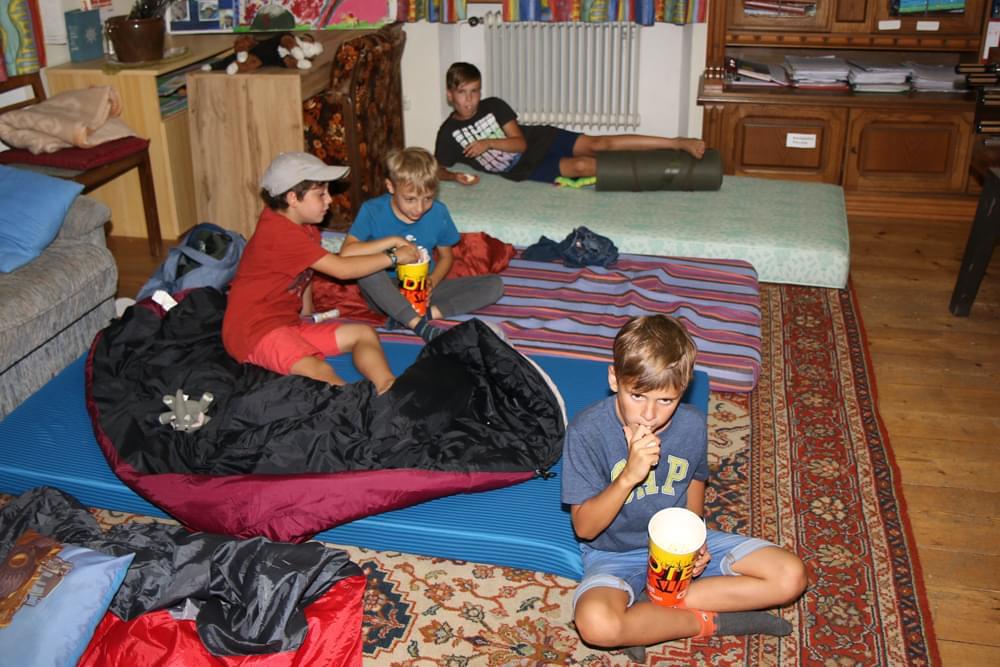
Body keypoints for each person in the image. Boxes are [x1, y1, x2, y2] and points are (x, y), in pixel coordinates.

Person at [562, 315, 808, 654]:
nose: (649, 414)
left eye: (665, 400)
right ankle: (706, 622)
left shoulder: (691, 424)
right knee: (596, 624)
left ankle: (648, 614)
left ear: (683, 389)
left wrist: (695, 539)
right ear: (615, 379)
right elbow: (585, 528)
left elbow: (694, 478)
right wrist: (629, 476)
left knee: (790, 576)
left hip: (676, 546)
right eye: (637, 395)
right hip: (613, 553)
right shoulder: (587, 431)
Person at [222, 151, 421, 393]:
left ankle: (387, 386)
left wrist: (306, 313)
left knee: (363, 333)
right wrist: (394, 257)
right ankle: (356, 407)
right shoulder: (279, 233)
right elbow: (342, 270)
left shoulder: (305, 227)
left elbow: (304, 271)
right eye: (321, 194)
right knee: (319, 370)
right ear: (293, 198)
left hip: (285, 323)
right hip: (254, 332)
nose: (329, 200)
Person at [435, 62, 707, 186]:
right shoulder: (448, 133)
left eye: (475, 91)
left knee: (599, 145)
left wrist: (488, 143)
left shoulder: (493, 106)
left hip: (541, 140)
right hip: (525, 168)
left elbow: (519, 144)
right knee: (582, 167)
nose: (470, 99)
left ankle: (676, 143)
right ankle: (663, 169)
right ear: (450, 95)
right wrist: (454, 177)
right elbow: (435, 169)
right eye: (462, 92)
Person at [339, 147, 504, 342]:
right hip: (385, 291)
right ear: (391, 187)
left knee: (494, 284)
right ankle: (418, 325)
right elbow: (346, 253)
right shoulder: (372, 210)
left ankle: (424, 315)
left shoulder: (439, 212)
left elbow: (446, 256)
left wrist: (432, 281)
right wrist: (393, 242)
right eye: (410, 199)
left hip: (422, 290)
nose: (419, 208)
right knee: (367, 270)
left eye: (428, 198)